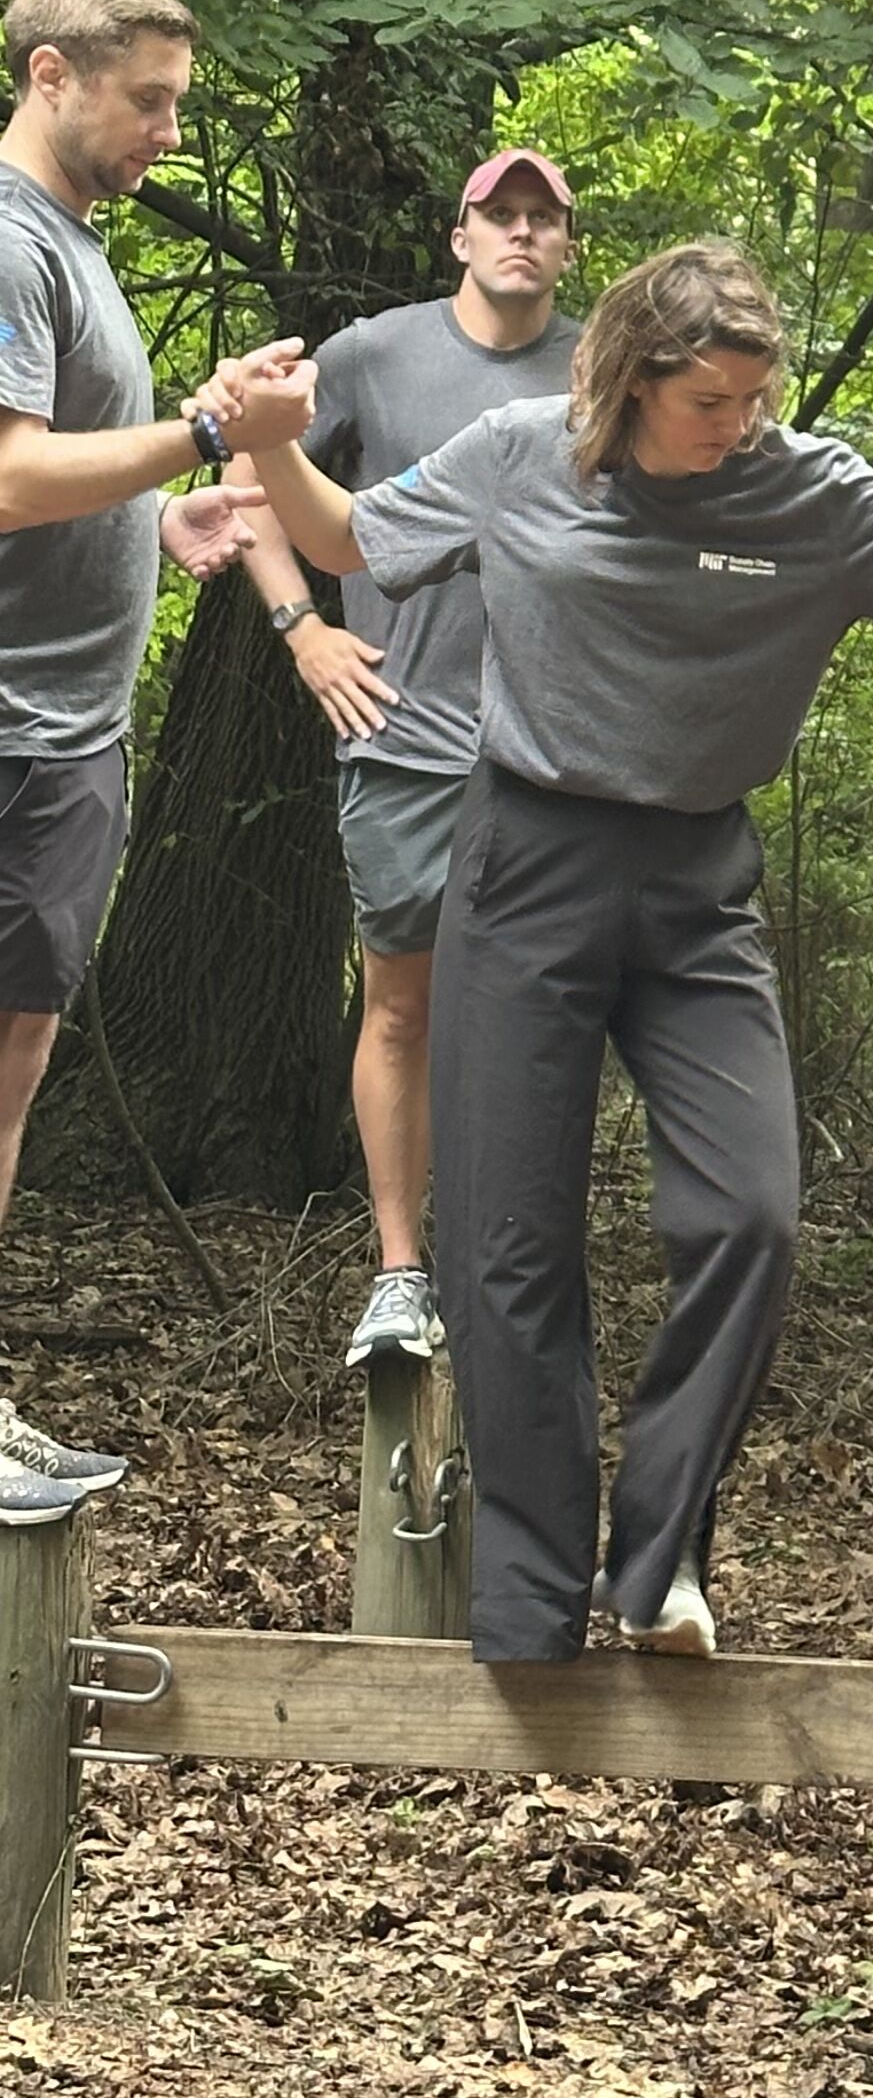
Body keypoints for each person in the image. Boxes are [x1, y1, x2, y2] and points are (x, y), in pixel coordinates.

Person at [216, 236, 873, 1664]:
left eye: (757, 399)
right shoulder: (523, 454)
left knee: (750, 1212)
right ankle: (525, 1603)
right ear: (636, 381)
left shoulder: (806, 489)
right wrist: (269, 451)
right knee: (507, 1241)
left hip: (697, 881)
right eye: (714, 403)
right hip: (525, 858)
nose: (740, 425)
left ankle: (660, 1563)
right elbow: (345, 541)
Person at [226, 149, 583, 1372]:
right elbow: (247, 478)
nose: (523, 235)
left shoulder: (600, 370)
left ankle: (511, 1271)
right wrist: (305, 627)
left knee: (536, 1018)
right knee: (402, 1005)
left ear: (568, 245)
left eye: (546, 219)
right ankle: (398, 1273)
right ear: (461, 235)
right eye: (503, 215)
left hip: (554, 758)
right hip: (404, 740)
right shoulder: (374, 352)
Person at [0, 0, 258, 1519]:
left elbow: (67, 487)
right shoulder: (7, 242)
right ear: (50, 76)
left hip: (64, 732)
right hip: (11, 730)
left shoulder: (77, 250)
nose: (170, 129)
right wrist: (211, 428)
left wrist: (164, 515)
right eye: (148, 100)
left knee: (13, 1083)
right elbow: (10, 478)